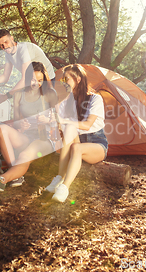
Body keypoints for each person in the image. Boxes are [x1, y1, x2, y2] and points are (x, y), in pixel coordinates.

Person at [0, 62, 60, 191]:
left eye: (40, 80)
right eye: (33, 79)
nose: (36, 83)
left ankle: (1, 180)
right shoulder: (19, 95)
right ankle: (16, 175)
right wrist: (20, 124)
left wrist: (48, 119)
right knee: (2, 129)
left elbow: (58, 119)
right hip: (26, 136)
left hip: (44, 138)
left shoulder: (50, 93)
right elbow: (16, 122)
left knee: (23, 156)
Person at [45, 64, 108, 203]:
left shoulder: (95, 99)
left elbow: (87, 125)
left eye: (66, 79)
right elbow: (60, 126)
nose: (64, 82)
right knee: (70, 129)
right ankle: (59, 177)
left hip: (96, 143)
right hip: (76, 141)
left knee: (75, 144)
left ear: (78, 79)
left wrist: (63, 120)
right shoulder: (66, 101)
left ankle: (64, 188)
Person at [0, 29, 56, 105]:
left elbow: (24, 79)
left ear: (12, 38)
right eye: (1, 44)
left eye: (6, 42)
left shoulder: (23, 50)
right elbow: (5, 77)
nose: (4, 46)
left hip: (46, 80)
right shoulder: (8, 54)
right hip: (32, 81)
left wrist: (6, 96)